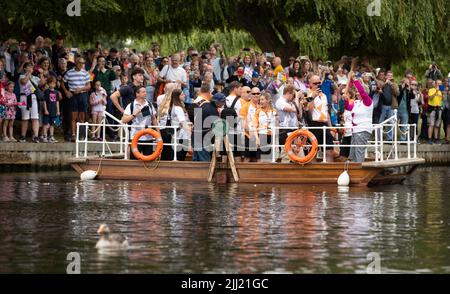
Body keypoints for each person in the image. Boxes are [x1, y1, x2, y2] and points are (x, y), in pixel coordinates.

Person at [306, 75, 339, 160]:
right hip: (314, 124)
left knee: (329, 150)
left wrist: (330, 127)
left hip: (324, 124)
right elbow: (309, 110)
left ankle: (329, 170)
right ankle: (312, 171)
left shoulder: (324, 96)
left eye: (319, 83)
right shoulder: (308, 94)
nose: (317, 85)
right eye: (315, 83)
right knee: (313, 151)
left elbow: (326, 112)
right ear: (310, 84)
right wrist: (313, 97)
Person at [121, 86, 158, 160]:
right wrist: (134, 114)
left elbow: (154, 119)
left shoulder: (149, 104)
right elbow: (123, 120)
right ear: (137, 94)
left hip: (148, 137)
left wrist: (158, 133)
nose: (146, 93)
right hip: (135, 137)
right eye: (143, 92)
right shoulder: (131, 105)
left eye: (145, 92)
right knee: (134, 159)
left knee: (149, 160)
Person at [344, 72, 373, 163]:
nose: (356, 93)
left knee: (359, 151)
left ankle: (359, 169)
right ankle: (353, 168)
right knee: (352, 153)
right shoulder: (357, 103)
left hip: (363, 129)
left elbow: (362, 92)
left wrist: (355, 79)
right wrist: (345, 100)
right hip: (355, 130)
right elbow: (348, 108)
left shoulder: (368, 102)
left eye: (357, 92)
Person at [61, 57, 91, 141]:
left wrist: (81, 89)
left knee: (82, 116)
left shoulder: (85, 73)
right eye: (80, 63)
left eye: (83, 63)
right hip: (73, 95)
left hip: (82, 95)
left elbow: (89, 86)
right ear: (76, 63)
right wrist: (66, 92)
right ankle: (73, 134)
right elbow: (62, 82)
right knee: (73, 116)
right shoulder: (69, 72)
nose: (81, 64)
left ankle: (81, 135)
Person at [192, 83, 219, 162]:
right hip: (202, 136)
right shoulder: (206, 104)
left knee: (196, 160)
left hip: (197, 134)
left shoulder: (200, 102)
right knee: (204, 161)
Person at [18, 62, 43, 143]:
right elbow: (24, 82)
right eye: (29, 66)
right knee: (24, 117)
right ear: (25, 68)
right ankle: (23, 136)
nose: (31, 67)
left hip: (33, 97)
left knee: (35, 117)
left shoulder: (35, 78)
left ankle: (35, 136)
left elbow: (42, 83)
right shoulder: (21, 76)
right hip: (24, 98)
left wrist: (41, 73)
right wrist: (28, 73)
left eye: (32, 66)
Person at [275, 85, 301, 162]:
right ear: (289, 93)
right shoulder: (280, 101)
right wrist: (296, 98)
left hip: (294, 129)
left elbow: (299, 114)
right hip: (285, 130)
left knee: (297, 153)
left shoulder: (291, 102)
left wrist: (299, 101)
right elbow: (293, 110)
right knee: (286, 155)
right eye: (293, 94)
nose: (294, 96)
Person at [252, 92, 277, 162]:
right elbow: (254, 126)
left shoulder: (274, 111)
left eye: (262, 99)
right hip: (261, 136)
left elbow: (277, 125)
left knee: (269, 159)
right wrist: (257, 139)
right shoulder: (258, 111)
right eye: (260, 100)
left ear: (268, 100)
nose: (260, 101)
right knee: (260, 159)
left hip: (271, 136)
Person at [42, 76, 61, 143]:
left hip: (54, 111)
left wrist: (58, 111)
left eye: (53, 83)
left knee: (52, 124)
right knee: (45, 123)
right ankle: (44, 136)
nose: (52, 85)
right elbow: (44, 101)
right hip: (48, 110)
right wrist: (45, 110)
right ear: (48, 84)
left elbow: (57, 102)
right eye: (51, 83)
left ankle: (51, 136)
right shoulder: (46, 92)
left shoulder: (56, 92)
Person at [427, 80, 443, 144]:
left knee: (437, 125)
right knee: (431, 125)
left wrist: (443, 94)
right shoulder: (431, 90)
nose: (439, 85)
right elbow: (430, 98)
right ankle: (430, 139)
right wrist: (436, 91)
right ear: (435, 84)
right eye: (438, 83)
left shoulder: (441, 91)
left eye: (440, 84)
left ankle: (436, 139)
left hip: (439, 109)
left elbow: (442, 100)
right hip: (432, 109)